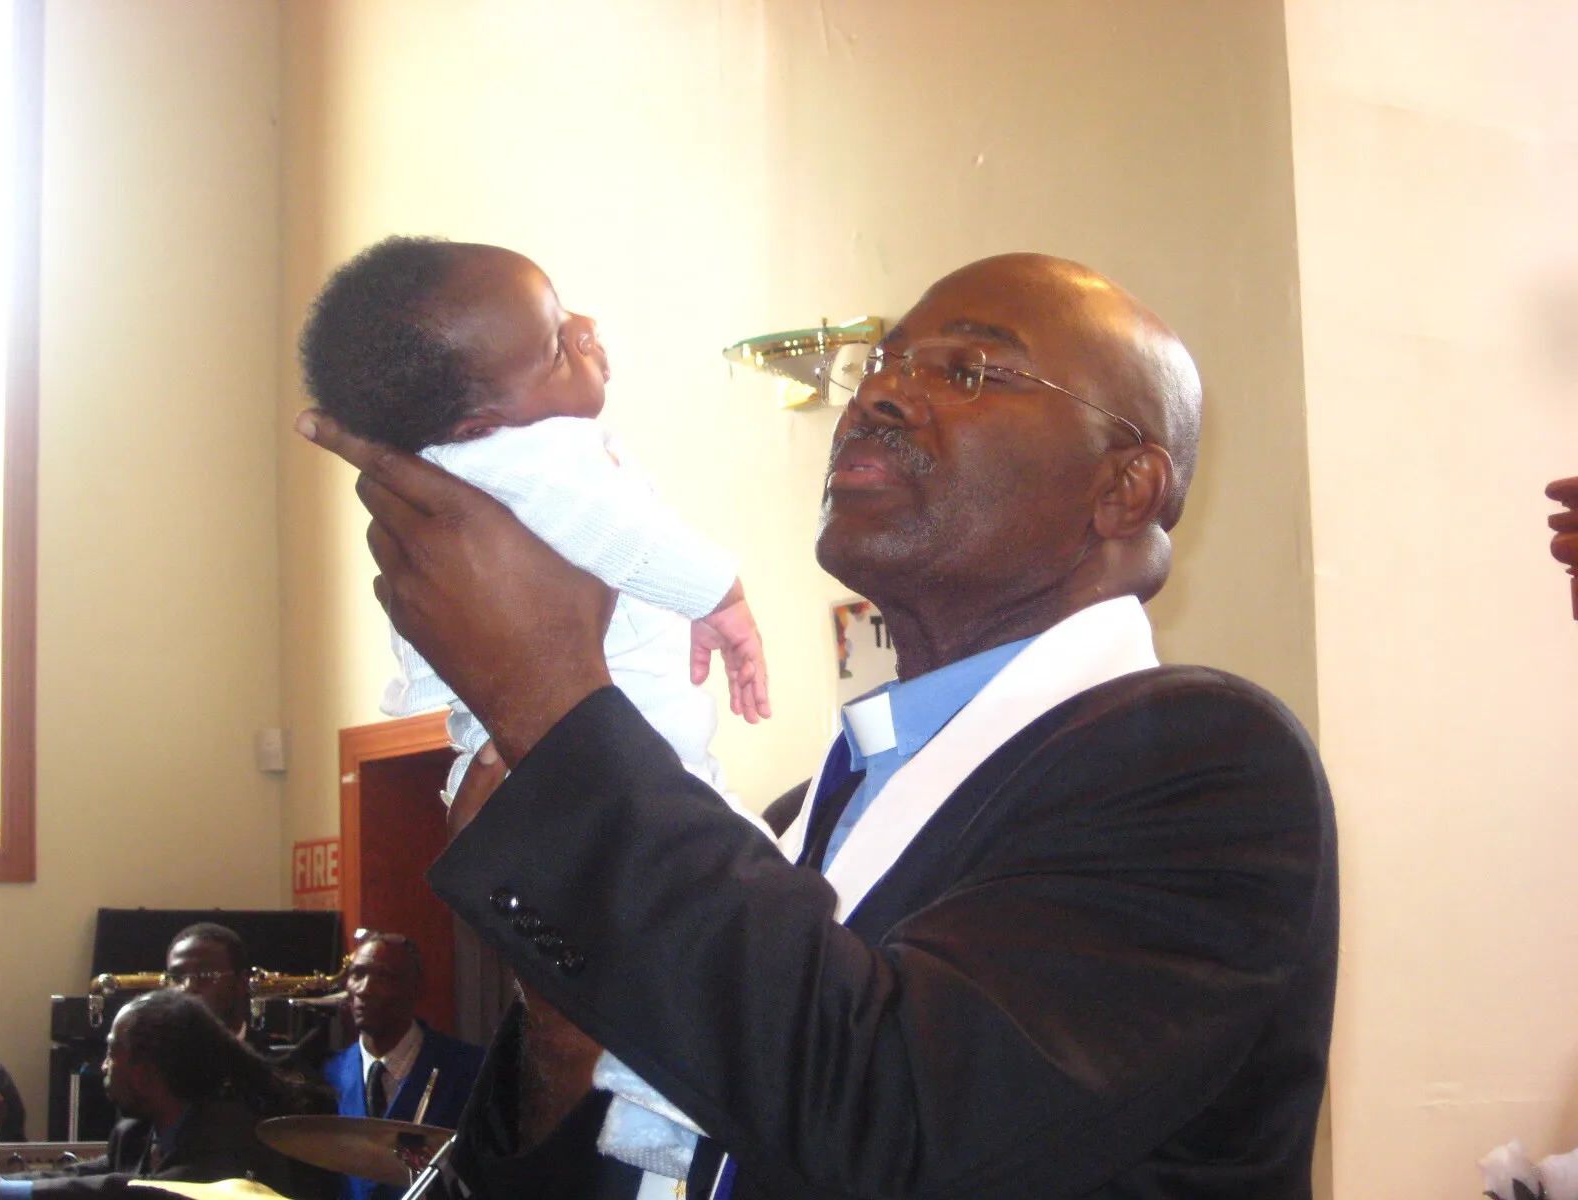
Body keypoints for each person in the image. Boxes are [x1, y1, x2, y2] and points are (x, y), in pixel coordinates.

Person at [298, 252, 1339, 1200]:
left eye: (968, 369)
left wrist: (552, 699)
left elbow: (900, 1125)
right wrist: (565, 1019)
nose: (877, 391)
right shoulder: (802, 819)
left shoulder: (1208, 768)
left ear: (1123, 487)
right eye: (882, 362)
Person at [298, 236, 772, 805]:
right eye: (556, 349)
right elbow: (624, 537)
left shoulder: (447, 473)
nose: (585, 329)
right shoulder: (532, 456)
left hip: (536, 760)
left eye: (565, 313)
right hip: (625, 752)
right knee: (740, 843)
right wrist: (719, 597)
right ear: (479, 425)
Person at [2, 992, 329, 1200]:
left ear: (149, 1069)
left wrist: (6, 1191)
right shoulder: (136, 1134)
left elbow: (133, 1191)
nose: (103, 1066)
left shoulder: (226, 1137)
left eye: (112, 1053)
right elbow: (81, 1176)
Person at [320, 933, 483, 1200]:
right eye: (357, 974)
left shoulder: (470, 1071)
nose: (364, 989)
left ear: (416, 990)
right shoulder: (328, 1075)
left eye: (384, 977)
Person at [165, 924, 329, 1079]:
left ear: (241, 983)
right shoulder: (154, 1070)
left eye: (206, 975)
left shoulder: (281, 1073)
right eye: (177, 977)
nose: (188, 987)